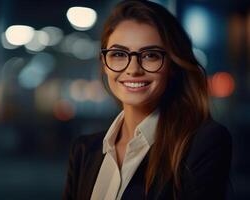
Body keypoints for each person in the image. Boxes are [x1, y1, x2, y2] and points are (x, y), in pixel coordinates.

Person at [62, 0, 232, 200]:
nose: (133, 69)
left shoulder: (202, 143)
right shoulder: (84, 150)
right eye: (118, 54)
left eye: (150, 55)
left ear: (172, 65)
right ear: (104, 64)